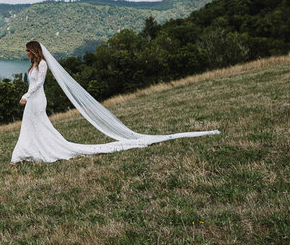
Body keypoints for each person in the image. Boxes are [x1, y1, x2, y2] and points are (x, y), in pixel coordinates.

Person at [11, 41, 218, 164]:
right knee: (31, 127)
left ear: (34, 50)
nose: (25, 53)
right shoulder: (33, 65)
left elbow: (39, 84)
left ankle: (26, 155)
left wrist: (26, 96)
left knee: (37, 126)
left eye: (27, 50)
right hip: (32, 100)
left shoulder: (44, 64)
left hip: (37, 100)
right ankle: (26, 153)